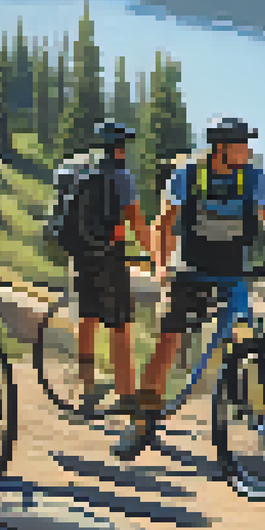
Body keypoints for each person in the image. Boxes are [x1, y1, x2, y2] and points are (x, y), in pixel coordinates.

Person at [138, 116, 265, 438]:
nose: (248, 150)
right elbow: (163, 224)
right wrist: (161, 266)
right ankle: (141, 419)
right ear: (221, 148)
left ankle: (244, 397)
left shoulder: (254, 179)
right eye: (242, 145)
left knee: (243, 330)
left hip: (232, 270)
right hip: (189, 269)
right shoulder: (187, 175)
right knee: (169, 337)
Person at [70, 121, 155, 413]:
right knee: (120, 325)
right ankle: (126, 395)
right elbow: (137, 223)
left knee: (88, 318)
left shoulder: (80, 170)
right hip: (110, 257)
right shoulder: (121, 176)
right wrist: (154, 254)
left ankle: (87, 390)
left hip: (81, 254)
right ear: (119, 148)